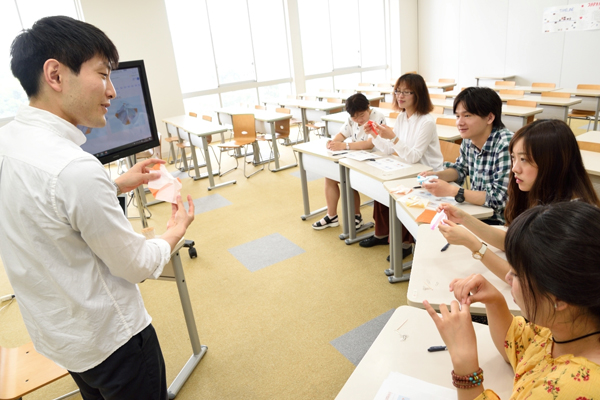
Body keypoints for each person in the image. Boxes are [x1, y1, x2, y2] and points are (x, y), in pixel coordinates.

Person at [0, 16, 194, 400]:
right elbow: (135, 265)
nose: (112, 91)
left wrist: (116, 183)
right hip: (114, 341)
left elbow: (45, 207)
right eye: (103, 75)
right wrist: (176, 229)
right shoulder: (75, 169)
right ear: (55, 74)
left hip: (61, 335)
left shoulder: (9, 140)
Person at [424, 201, 600, 399]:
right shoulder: (569, 324)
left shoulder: (571, 388)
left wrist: (465, 368)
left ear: (558, 298)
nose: (507, 278)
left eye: (516, 274)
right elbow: (520, 346)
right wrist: (495, 301)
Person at [436, 119, 599, 280]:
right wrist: (463, 218)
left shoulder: (567, 218)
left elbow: (523, 280)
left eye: (524, 159)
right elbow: (513, 241)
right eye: (513, 158)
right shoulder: (544, 196)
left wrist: (474, 245)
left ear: (554, 163)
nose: (514, 168)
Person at [360, 73, 443, 255]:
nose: (400, 96)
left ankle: (404, 243)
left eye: (407, 92)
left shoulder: (426, 121)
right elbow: (389, 149)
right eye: (398, 91)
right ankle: (382, 234)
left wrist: (393, 137)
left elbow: (413, 156)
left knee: (392, 190)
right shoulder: (401, 117)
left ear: (418, 95)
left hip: (427, 173)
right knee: (380, 187)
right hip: (408, 168)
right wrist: (374, 135)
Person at [420, 87, 513, 225]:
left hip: (501, 221)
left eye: (467, 115)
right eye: (457, 116)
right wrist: (435, 176)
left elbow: (500, 198)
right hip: (477, 212)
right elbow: (460, 169)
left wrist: (453, 191)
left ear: (490, 117)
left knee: (437, 229)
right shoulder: (469, 139)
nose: (460, 122)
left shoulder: (506, 145)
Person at [312, 93, 386, 230]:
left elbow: (370, 144)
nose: (358, 120)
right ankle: (331, 216)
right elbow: (343, 134)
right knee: (330, 176)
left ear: (368, 107)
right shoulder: (352, 118)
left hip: (375, 160)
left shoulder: (378, 117)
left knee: (347, 178)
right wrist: (334, 142)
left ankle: (356, 216)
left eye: (362, 115)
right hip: (357, 157)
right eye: (354, 117)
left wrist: (345, 146)